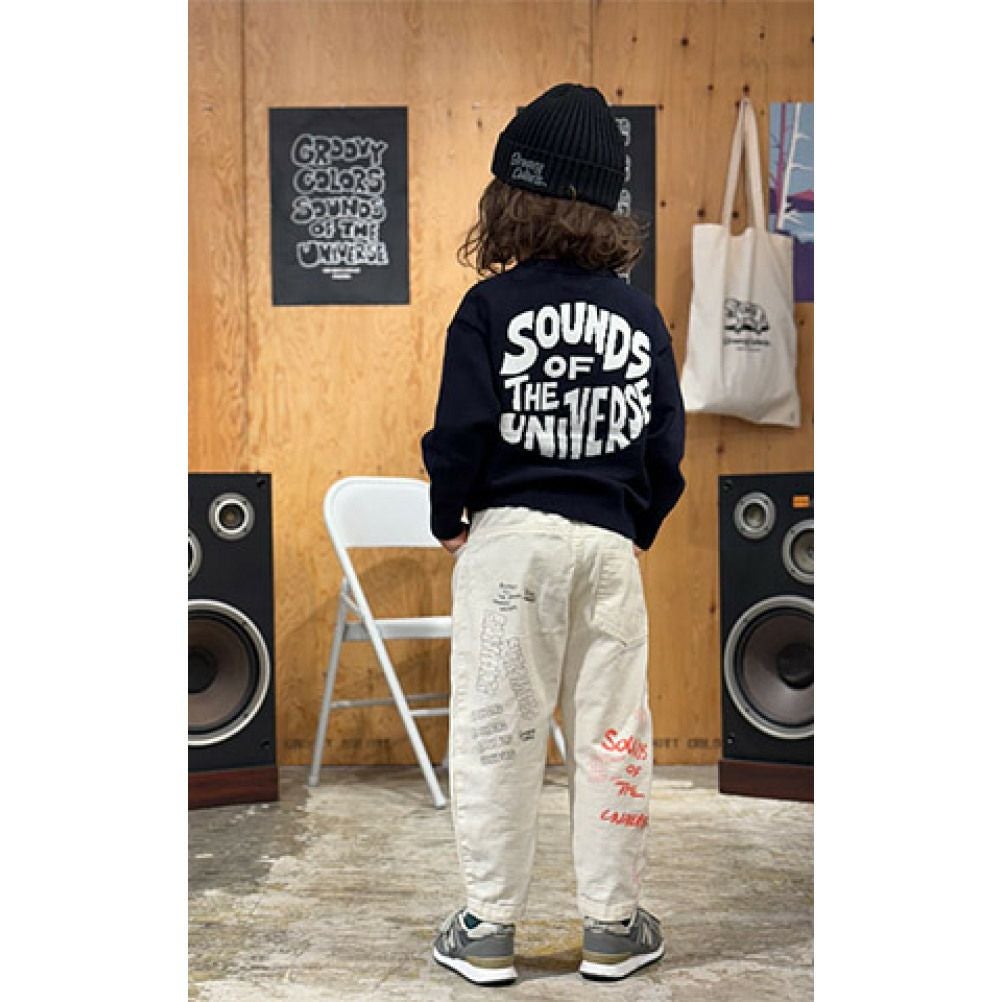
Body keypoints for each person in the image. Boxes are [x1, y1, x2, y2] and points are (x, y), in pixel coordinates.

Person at [420, 82, 686, 987]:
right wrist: (635, 522)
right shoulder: (640, 318)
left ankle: (488, 929)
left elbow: (461, 431)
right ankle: (611, 928)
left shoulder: (488, 309)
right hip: (608, 549)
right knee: (614, 736)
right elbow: (665, 444)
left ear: (510, 199)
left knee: (498, 734)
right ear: (608, 210)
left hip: (511, 545)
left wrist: (448, 516)